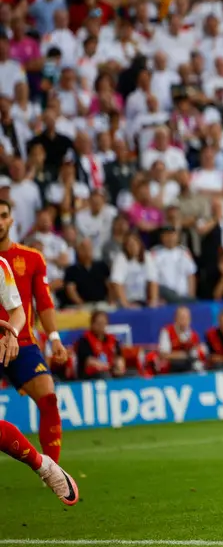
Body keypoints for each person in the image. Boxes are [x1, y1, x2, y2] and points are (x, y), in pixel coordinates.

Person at [0, 267, 78, 506]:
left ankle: (46, 467)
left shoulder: (1, 266)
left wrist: (13, 333)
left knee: (48, 397)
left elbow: (18, 312)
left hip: (16, 344)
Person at [0, 199, 64, 463]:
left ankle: (53, 471)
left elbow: (44, 302)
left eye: (3, 215)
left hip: (21, 342)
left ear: (11, 220)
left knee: (49, 398)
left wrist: (55, 337)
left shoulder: (32, 258)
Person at [74, 310, 127, 379]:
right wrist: (109, 367)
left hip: (110, 371)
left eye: (103, 323)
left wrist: (119, 365)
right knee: (105, 376)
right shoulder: (84, 340)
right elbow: (90, 362)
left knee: (132, 375)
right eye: (98, 323)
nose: (101, 326)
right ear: (92, 324)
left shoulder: (113, 339)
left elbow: (119, 357)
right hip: (91, 375)